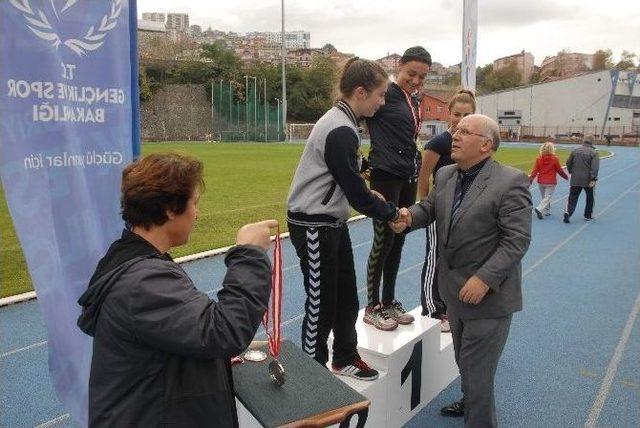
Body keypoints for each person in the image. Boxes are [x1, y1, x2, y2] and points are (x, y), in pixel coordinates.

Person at [77, 153, 276, 427]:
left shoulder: (136, 261)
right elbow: (223, 332)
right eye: (194, 203)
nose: (198, 213)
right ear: (171, 208)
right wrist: (249, 254)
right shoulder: (142, 282)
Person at [390, 114, 532, 427]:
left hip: (488, 300)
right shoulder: (446, 175)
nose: (455, 136)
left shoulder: (510, 181)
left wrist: (484, 279)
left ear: (486, 145)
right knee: (465, 365)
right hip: (453, 293)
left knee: (478, 374)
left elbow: (516, 240)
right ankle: (470, 401)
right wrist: (408, 217)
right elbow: (429, 207)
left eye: (465, 132)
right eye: (456, 130)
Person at [287, 57, 400, 381]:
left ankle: (345, 357)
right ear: (361, 92)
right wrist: (391, 212)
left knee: (347, 297)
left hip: (330, 221)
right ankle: (312, 375)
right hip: (313, 224)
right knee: (322, 302)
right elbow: (355, 193)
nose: (382, 102)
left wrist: (370, 188)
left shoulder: (346, 124)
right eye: (380, 95)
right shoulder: (339, 128)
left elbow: (351, 171)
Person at [363, 46, 432, 331]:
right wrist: (363, 165)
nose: (416, 80)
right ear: (399, 67)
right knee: (384, 240)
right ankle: (372, 306)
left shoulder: (412, 99)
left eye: (422, 77)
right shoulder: (386, 93)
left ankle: (389, 300)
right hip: (385, 176)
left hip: (407, 175)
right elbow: (355, 111)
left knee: (399, 237)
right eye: (411, 73)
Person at [416, 89, 476, 332]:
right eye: (457, 114)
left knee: (456, 260)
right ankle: (431, 309)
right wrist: (424, 210)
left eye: (467, 114)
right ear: (448, 114)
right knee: (435, 259)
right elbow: (423, 178)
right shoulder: (439, 143)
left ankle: (450, 306)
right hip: (438, 212)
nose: (461, 119)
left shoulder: (474, 143)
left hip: (462, 214)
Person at [564, 136, 600, 223]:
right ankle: (588, 215)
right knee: (590, 197)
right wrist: (593, 178)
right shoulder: (594, 153)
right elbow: (594, 168)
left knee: (572, 197)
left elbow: (568, 162)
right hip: (588, 180)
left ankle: (568, 212)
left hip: (575, 178)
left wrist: (571, 171)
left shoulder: (575, 151)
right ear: (592, 143)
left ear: (583, 141)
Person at [529, 141, 568, 219]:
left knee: (545, 197)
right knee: (548, 197)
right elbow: (559, 170)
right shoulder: (555, 159)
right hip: (550, 181)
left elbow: (535, 171)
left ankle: (547, 211)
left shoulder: (538, 159)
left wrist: (531, 179)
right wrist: (565, 177)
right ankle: (539, 209)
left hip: (541, 181)